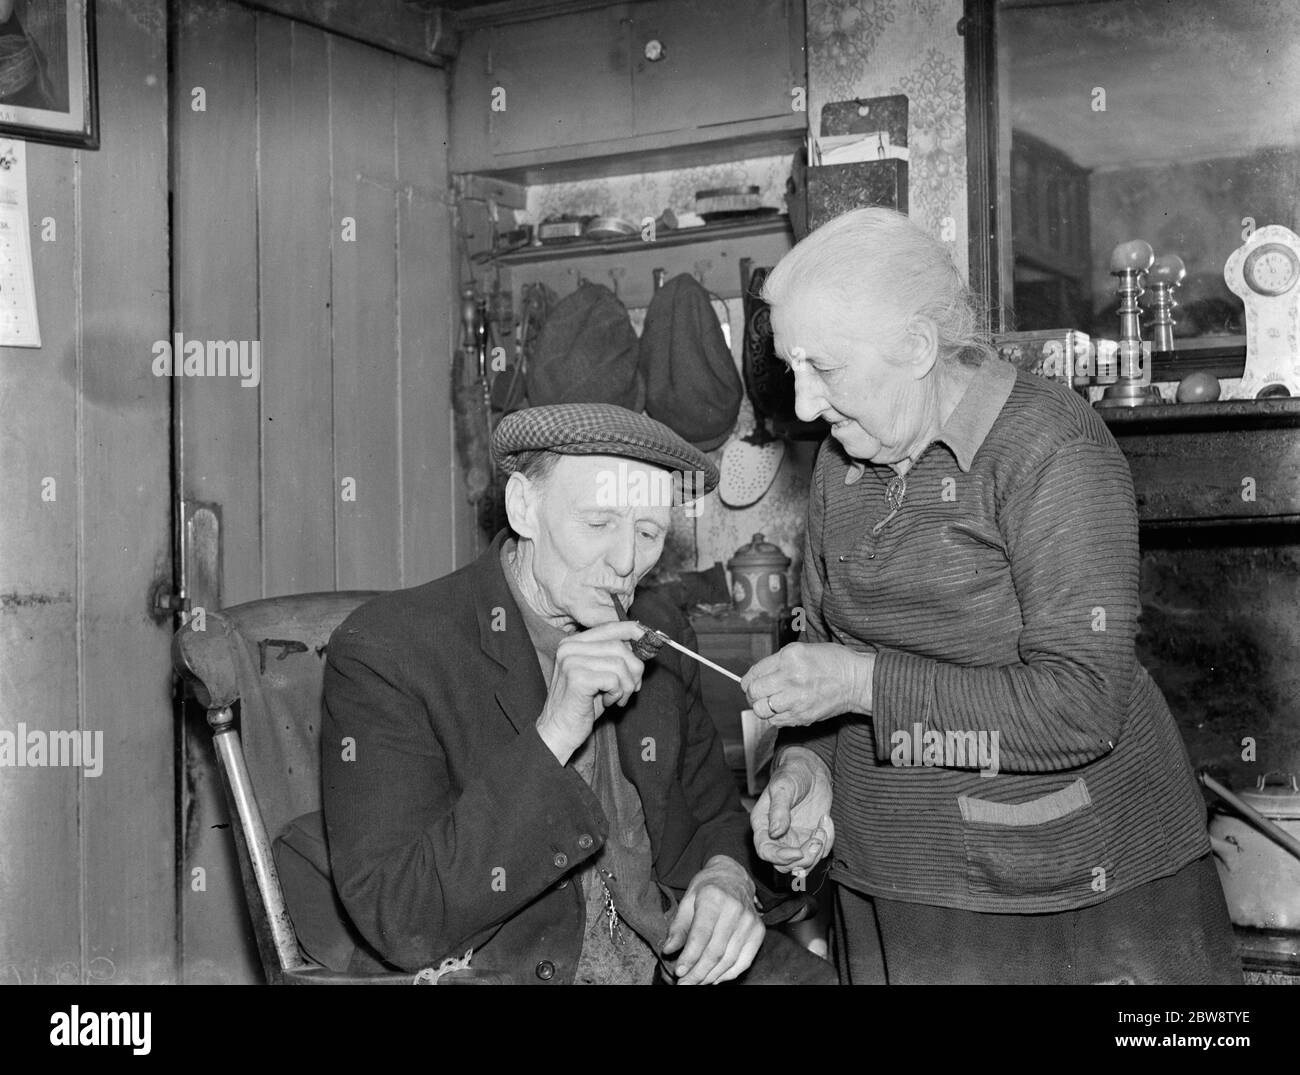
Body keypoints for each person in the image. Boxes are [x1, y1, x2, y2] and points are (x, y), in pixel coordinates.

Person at [740, 207, 1241, 985]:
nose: (804, 406)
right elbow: (826, 669)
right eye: (791, 368)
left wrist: (858, 681)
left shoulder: (1052, 448)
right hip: (891, 889)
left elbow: (1078, 705)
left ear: (916, 346)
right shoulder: (842, 469)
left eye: (824, 369)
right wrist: (807, 775)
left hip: (1063, 896)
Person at [293, 403, 835, 985]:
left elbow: (710, 812)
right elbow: (400, 916)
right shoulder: (390, 649)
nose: (627, 562)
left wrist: (727, 872)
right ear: (525, 506)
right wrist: (556, 731)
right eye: (599, 523)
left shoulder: (660, 628)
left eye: (648, 532)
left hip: (663, 959)